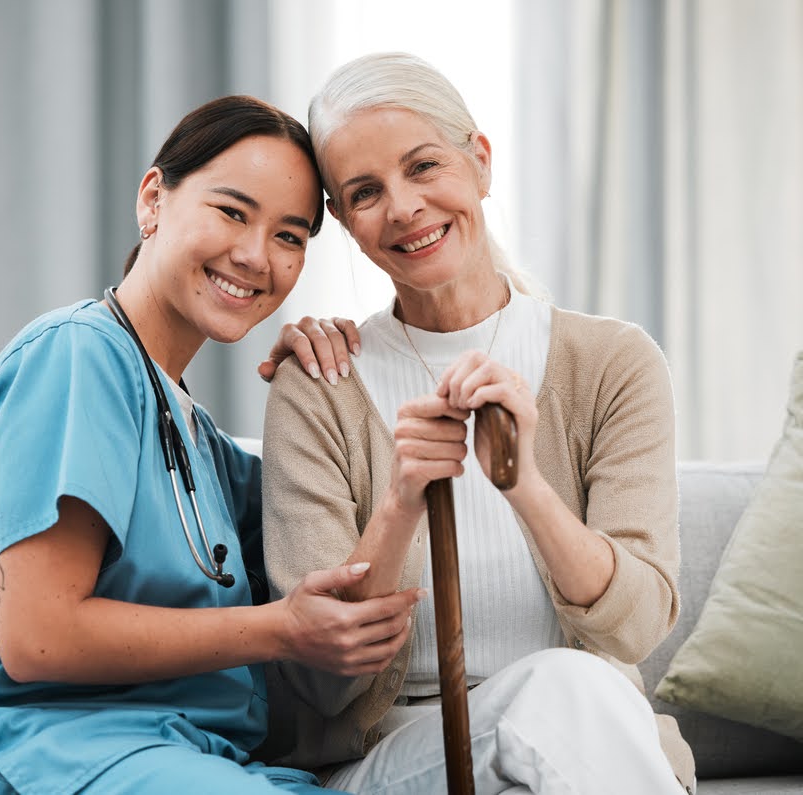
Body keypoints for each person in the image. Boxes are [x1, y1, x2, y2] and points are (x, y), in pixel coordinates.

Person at [0, 95, 426, 795]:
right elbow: (38, 634)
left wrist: (334, 385)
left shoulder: (199, 441)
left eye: (290, 236)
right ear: (153, 199)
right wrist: (281, 628)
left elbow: (331, 524)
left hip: (181, 759)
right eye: (232, 212)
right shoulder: (77, 357)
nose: (254, 255)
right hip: (25, 752)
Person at [259, 53, 695, 795]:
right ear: (343, 221)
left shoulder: (611, 364)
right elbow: (321, 682)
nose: (402, 206)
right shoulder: (320, 385)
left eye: (423, 166)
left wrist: (523, 483)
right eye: (366, 191)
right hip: (398, 758)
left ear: (481, 161)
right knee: (557, 691)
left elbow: (635, 627)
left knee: (567, 692)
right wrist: (400, 501)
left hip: (596, 743)